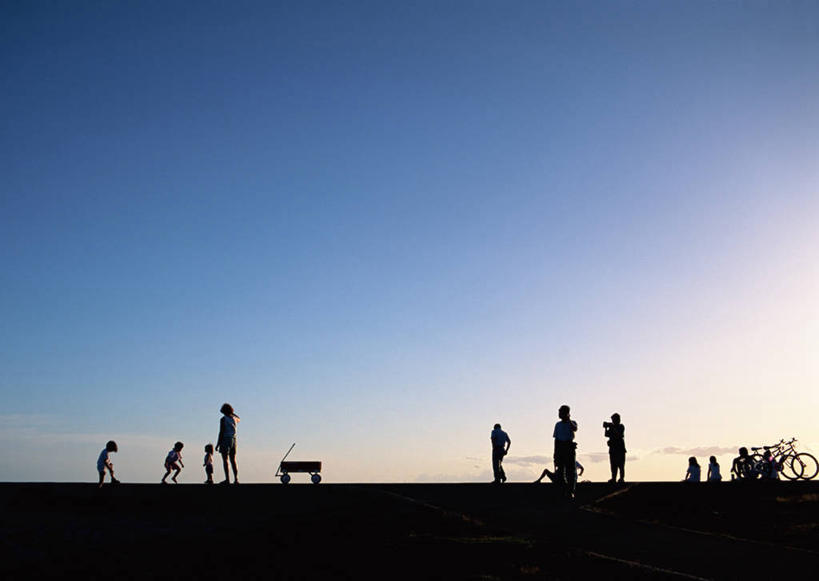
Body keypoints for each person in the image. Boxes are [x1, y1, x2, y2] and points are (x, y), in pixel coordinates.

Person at [553, 405, 578, 498]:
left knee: (570, 471)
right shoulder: (557, 424)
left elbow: (575, 428)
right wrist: (555, 453)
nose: (559, 414)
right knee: (560, 471)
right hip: (560, 447)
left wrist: (569, 419)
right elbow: (556, 439)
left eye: (561, 412)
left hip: (569, 446)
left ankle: (571, 491)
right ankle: (563, 490)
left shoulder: (572, 423)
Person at [216, 403, 240, 485]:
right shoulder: (235, 419)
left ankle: (227, 479)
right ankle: (236, 479)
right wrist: (232, 413)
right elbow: (239, 418)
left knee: (225, 459)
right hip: (234, 439)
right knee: (233, 460)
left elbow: (221, 432)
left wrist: (218, 443)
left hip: (225, 439)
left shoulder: (223, 419)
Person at [604, 413, 626, 483]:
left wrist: (611, 426)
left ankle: (621, 478)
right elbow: (606, 435)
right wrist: (606, 428)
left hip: (620, 449)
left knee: (621, 465)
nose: (613, 421)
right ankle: (613, 478)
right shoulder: (612, 426)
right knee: (613, 465)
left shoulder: (621, 426)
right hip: (613, 449)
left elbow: (619, 434)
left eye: (614, 420)